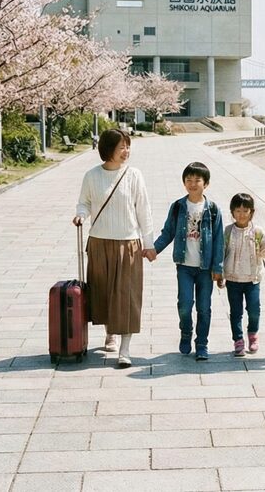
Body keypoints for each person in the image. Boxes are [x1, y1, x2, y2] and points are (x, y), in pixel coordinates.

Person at [72, 128, 155, 368]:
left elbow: (144, 211)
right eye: (121, 147)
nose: (126, 151)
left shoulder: (134, 175)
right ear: (108, 150)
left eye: (128, 146)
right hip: (99, 241)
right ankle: (110, 332)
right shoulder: (91, 176)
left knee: (126, 296)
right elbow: (84, 202)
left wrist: (148, 245)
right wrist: (80, 215)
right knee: (103, 292)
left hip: (128, 243)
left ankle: (124, 349)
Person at [152, 162, 225, 361]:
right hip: (184, 266)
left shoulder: (213, 209)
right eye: (189, 180)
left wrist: (218, 268)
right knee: (184, 304)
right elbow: (168, 232)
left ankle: (202, 344)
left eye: (197, 180)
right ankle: (186, 332)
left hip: (205, 268)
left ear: (206, 183)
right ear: (184, 182)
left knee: (204, 307)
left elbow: (219, 240)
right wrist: (154, 249)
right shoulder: (178, 207)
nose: (192, 184)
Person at [223, 192, 265, 357]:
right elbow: (221, 253)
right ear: (232, 212)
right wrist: (217, 273)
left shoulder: (258, 232)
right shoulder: (228, 231)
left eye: (245, 211)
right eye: (237, 211)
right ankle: (238, 340)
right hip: (233, 278)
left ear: (252, 212)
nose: (241, 214)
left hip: (253, 278)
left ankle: (253, 334)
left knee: (254, 309)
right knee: (236, 311)